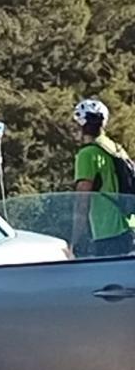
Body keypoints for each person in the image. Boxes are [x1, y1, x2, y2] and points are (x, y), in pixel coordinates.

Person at [71, 98, 134, 256]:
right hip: (130, 224)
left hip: (107, 231)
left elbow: (82, 201)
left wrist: (75, 239)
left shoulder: (87, 154)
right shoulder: (115, 148)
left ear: (81, 125)